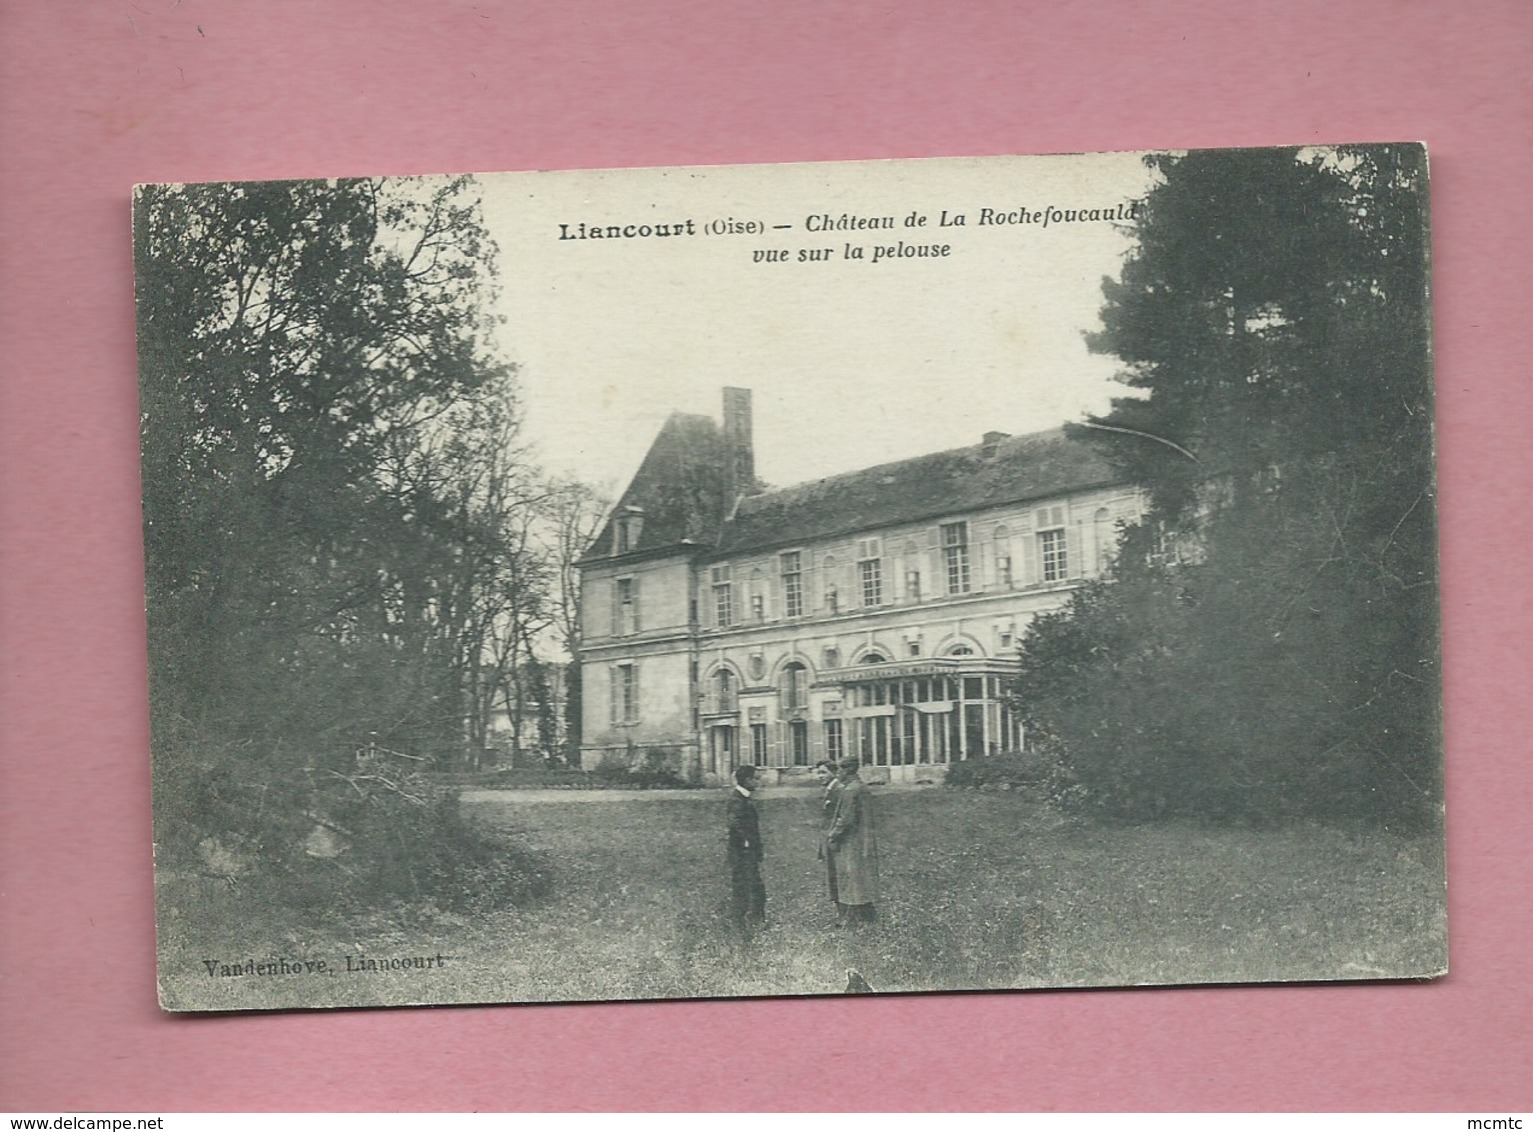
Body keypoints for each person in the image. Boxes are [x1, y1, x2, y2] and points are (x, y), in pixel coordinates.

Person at [826, 755, 880, 924]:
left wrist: (832, 834)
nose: (837, 774)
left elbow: (846, 819)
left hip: (850, 840)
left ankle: (849, 918)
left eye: (840, 769)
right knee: (860, 877)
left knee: (848, 877)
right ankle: (867, 915)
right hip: (863, 838)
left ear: (848, 770)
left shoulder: (850, 790)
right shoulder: (861, 787)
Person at [725, 764, 766, 935]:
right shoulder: (737, 799)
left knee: (752, 885)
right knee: (746, 886)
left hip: (745, 851)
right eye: (756, 779)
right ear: (747, 780)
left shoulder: (744, 798)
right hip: (742, 852)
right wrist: (748, 844)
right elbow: (735, 824)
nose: (759, 782)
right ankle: (743, 921)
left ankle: (751, 919)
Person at [814, 759, 842, 909]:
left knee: (837, 874)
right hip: (828, 838)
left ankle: (844, 911)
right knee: (832, 874)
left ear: (834, 772)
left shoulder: (838, 790)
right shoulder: (830, 790)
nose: (820, 776)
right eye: (818, 773)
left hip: (835, 839)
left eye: (823, 772)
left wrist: (832, 837)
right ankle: (840, 909)